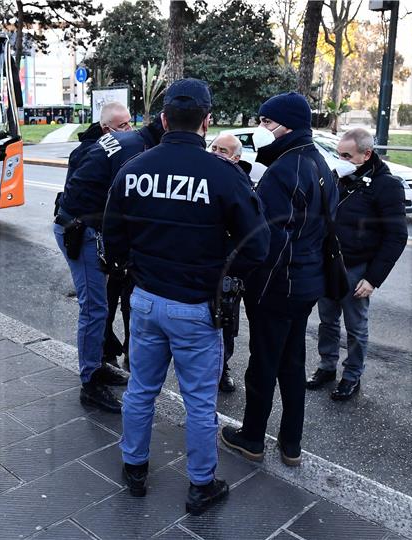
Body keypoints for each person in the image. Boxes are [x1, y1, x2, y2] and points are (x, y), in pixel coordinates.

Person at [103, 79, 270, 515]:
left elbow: (114, 239)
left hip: (145, 300)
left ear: (163, 119)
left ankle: (134, 468)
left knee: (141, 389)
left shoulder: (133, 169)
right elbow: (257, 246)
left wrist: (138, 268)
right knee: (199, 401)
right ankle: (200, 485)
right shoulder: (223, 173)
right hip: (196, 306)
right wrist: (219, 271)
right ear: (206, 120)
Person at [220, 92, 338, 468]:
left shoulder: (285, 170)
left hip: (278, 286)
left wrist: (245, 276)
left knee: (263, 364)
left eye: (267, 122)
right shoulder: (318, 162)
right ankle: (291, 443)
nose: (261, 129)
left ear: (288, 125)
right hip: (306, 285)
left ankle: (252, 437)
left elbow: (268, 239)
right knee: (291, 363)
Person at [54, 115, 163, 413]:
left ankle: (97, 364)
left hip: (80, 224)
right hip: (82, 229)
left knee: (98, 304)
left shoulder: (130, 141)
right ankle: (90, 382)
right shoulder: (138, 151)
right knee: (94, 308)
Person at [307, 128, 407, 400]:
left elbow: (396, 236)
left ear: (366, 154)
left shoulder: (386, 186)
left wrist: (373, 278)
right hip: (329, 263)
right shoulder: (339, 178)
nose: (340, 159)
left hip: (357, 268)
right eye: (338, 154)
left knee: (356, 327)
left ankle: (351, 375)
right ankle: (326, 366)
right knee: (327, 321)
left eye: (347, 155)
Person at [209, 132, 249, 393]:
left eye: (222, 150)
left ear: (235, 157)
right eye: (213, 147)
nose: (215, 153)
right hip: (201, 262)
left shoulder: (240, 183)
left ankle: (222, 369)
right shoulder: (199, 173)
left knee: (226, 324)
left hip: (227, 266)